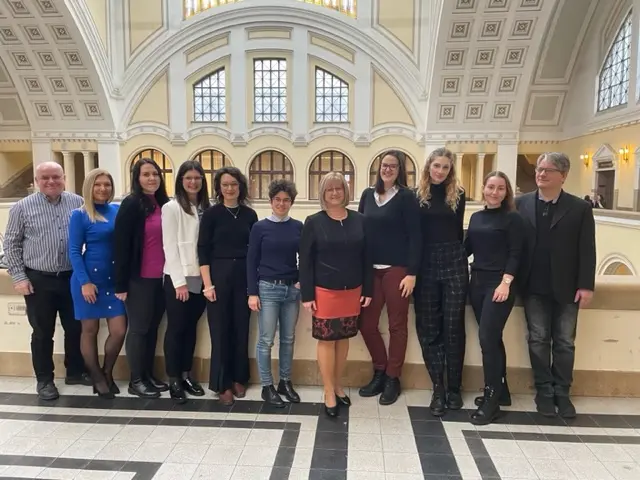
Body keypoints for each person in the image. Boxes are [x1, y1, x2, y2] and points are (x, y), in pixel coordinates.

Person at [516, 152, 596, 419]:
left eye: (548, 170)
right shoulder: (520, 204)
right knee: (538, 339)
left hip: (567, 287)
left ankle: (562, 391)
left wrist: (586, 285)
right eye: (539, 169)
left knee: (564, 341)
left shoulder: (580, 208)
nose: (541, 174)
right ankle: (544, 391)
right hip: (532, 285)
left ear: (563, 175)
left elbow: (587, 249)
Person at [3, 162, 90, 400]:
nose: (51, 182)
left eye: (56, 177)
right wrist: (19, 277)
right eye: (45, 178)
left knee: (75, 327)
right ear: (36, 181)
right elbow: (11, 244)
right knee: (42, 332)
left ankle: (75, 371)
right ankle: (44, 380)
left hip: (71, 278)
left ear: (64, 178)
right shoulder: (21, 208)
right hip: (39, 280)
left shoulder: (78, 203)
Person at [299, 172, 373, 417]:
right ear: (323, 193)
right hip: (324, 291)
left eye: (338, 188)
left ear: (345, 191)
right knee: (327, 340)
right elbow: (305, 261)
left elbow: (367, 257)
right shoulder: (313, 221)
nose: (334, 193)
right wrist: (307, 295)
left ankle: (338, 385)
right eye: (329, 189)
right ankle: (328, 390)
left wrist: (368, 289)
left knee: (343, 339)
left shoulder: (360, 220)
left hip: (353, 291)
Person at [357, 150, 421, 405]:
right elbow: (359, 231)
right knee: (366, 323)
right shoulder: (367, 195)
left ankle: (393, 378)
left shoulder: (407, 197)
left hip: (397, 270)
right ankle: (380, 370)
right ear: (378, 167)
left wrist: (412, 273)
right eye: (385, 165)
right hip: (370, 269)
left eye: (393, 166)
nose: (388, 169)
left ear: (400, 170)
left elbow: (416, 236)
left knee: (397, 325)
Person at [464, 171, 523, 425]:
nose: (494, 192)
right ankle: (502, 390)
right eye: (490, 187)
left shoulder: (513, 218)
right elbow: (466, 248)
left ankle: (491, 399)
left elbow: (516, 253)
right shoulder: (476, 217)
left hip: (499, 285)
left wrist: (506, 282)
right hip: (477, 282)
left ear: (506, 191)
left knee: (487, 338)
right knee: (493, 338)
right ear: (483, 188)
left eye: (500, 188)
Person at [198, 166, 258, 406]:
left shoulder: (250, 215)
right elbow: (203, 250)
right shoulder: (211, 214)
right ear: (219, 188)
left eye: (234, 184)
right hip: (218, 276)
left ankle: (239, 377)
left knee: (241, 329)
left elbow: (255, 250)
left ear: (240, 187)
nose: (230, 188)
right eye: (225, 185)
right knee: (220, 331)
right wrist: (207, 285)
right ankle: (221, 383)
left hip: (243, 275)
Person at [414, 148, 467, 417]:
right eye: (437, 166)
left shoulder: (458, 194)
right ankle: (438, 387)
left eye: (446, 167)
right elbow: (413, 234)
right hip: (425, 262)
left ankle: (455, 387)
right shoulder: (417, 195)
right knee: (429, 327)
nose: (440, 171)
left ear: (451, 170)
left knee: (453, 325)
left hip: (454, 259)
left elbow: (458, 230)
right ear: (428, 167)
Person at [113, 157, 170, 399]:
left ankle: (147, 375)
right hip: (139, 279)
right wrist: (121, 284)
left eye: (155, 174)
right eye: (146, 174)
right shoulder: (131, 204)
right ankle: (136, 380)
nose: (152, 178)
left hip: (162, 278)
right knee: (138, 329)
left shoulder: (163, 203)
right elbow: (120, 246)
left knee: (152, 328)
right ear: (137, 178)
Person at [68, 169, 127, 399]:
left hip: (113, 282)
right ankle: (96, 377)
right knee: (89, 330)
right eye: (98, 184)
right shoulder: (79, 214)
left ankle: (107, 372)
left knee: (119, 331)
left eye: (107, 184)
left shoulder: (117, 210)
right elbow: (74, 251)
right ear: (89, 187)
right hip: (88, 281)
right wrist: (85, 282)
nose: (103, 188)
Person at [247, 179, 303, 407]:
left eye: (286, 200)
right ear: (271, 201)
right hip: (267, 289)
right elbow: (251, 261)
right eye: (277, 199)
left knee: (288, 339)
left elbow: (305, 257)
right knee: (266, 340)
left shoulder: (298, 226)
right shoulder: (260, 228)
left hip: (291, 290)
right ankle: (267, 386)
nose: (281, 203)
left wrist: (301, 280)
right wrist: (252, 293)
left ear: (291, 202)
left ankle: (285, 382)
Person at [161, 161, 210, 404]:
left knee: (191, 329)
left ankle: (186, 374)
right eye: (188, 178)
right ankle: (174, 379)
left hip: (201, 278)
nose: (193, 182)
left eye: (197, 178)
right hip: (179, 278)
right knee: (176, 329)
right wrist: (179, 283)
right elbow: (169, 246)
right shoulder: (171, 208)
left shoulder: (206, 207)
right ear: (181, 180)